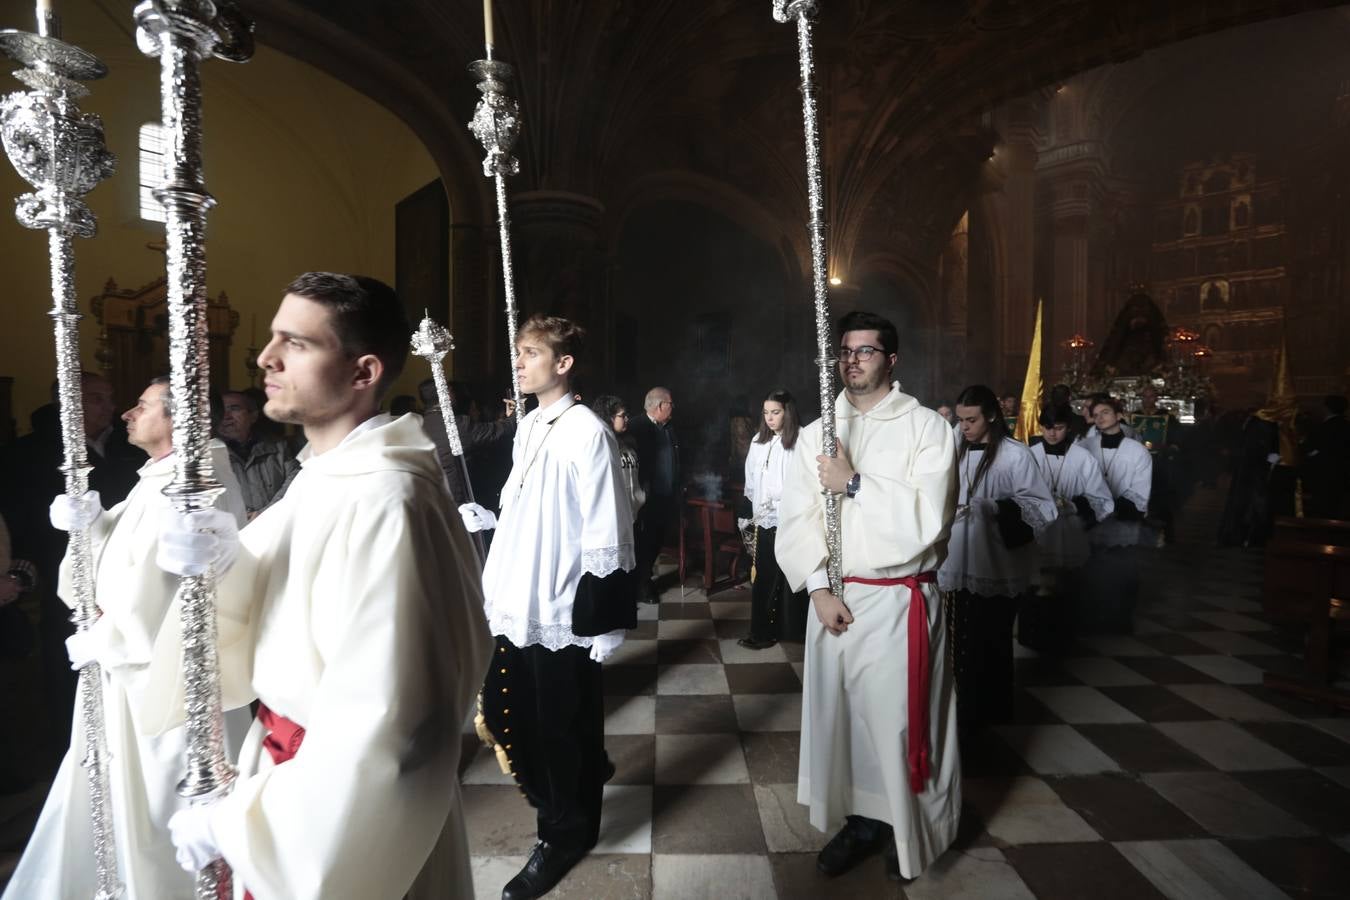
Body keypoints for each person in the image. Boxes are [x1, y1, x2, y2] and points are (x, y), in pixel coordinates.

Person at [160, 273, 492, 899]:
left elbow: (391, 728)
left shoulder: (388, 498)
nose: (266, 357)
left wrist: (245, 825)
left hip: (334, 809)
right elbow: (279, 612)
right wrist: (219, 565)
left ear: (363, 372)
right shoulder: (325, 477)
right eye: (270, 338)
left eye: (296, 342)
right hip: (288, 770)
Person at [3, 376, 248, 900]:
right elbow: (102, 572)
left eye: (141, 405)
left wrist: (109, 635)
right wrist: (87, 527)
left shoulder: (200, 477)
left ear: (177, 418)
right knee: (113, 797)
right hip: (127, 676)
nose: (127, 415)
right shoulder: (154, 477)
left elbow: (173, 592)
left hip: (166, 686)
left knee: (157, 806)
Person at [776, 310, 960, 882]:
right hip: (833, 603)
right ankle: (860, 823)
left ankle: (910, 834)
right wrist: (817, 590)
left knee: (897, 727)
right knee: (845, 724)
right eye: (846, 351)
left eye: (866, 351)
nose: (852, 360)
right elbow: (796, 518)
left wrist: (853, 483)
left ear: (891, 359)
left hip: (897, 603)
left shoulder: (926, 428)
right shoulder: (817, 434)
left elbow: (929, 518)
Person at [460, 315, 636, 899]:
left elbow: (606, 526)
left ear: (563, 364)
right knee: (533, 716)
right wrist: (494, 516)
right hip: (519, 592)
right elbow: (527, 499)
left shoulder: (588, 431)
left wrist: (604, 618)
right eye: (518, 352)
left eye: (530, 353)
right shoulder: (531, 424)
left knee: (560, 724)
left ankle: (564, 834)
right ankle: (575, 789)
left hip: (560, 601)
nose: (519, 362)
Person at [0, 372, 143, 750]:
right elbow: (21, 518)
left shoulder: (126, 447)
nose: (110, 407)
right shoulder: (29, 453)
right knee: (70, 663)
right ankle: (77, 747)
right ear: (69, 403)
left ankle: (121, 743)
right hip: (62, 574)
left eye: (110, 398)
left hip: (124, 574)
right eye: (98, 398)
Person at [939, 385, 1057, 732]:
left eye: (971, 420)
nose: (964, 427)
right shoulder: (952, 450)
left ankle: (990, 714)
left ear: (991, 415)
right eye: (960, 420)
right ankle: (956, 710)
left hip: (994, 565)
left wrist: (995, 507)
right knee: (956, 640)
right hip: (954, 562)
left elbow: (1041, 507)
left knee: (990, 641)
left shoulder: (1014, 455)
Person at [1019, 404, 1114, 655]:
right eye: (1047, 428)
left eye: (1059, 428)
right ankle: (1032, 634)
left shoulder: (1082, 458)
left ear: (1068, 428)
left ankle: (1063, 636)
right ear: (1040, 427)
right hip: (1037, 530)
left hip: (1068, 529)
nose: (1052, 434)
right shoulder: (1029, 455)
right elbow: (1015, 492)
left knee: (1065, 584)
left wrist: (1072, 504)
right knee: (1034, 582)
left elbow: (1101, 499)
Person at [737, 389, 807, 649]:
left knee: (792, 577)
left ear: (787, 412)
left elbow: (804, 483)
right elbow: (752, 481)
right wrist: (750, 513)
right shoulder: (758, 441)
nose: (769, 418)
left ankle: (794, 631)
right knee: (764, 577)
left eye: (775, 412)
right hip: (764, 520)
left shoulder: (802, 440)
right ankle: (762, 633)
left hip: (791, 520)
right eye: (766, 412)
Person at [1082, 396, 1153, 632]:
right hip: (1092, 521)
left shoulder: (1137, 451)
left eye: (1106, 412)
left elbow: (1139, 491)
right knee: (1092, 572)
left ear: (1119, 415)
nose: (1100, 417)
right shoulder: (1085, 447)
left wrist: (1110, 506)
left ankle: (1120, 620)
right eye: (1096, 413)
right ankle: (1092, 618)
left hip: (1123, 521)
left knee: (1123, 571)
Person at [417, 377, 516, 507]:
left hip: (430, 501)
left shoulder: (420, 425)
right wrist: (515, 413)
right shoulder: (454, 425)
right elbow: (498, 431)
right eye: (451, 390)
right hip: (457, 505)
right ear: (446, 394)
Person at [630, 386, 680, 603]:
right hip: (645, 499)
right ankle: (642, 585)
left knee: (658, 539)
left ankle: (644, 580)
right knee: (644, 543)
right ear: (660, 405)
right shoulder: (636, 427)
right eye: (670, 403)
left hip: (666, 496)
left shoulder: (669, 427)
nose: (673, 407)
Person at [220, 388, 297, 518]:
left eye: (234, 409)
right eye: (221, 411)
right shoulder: (208, 456)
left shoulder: (279, 448)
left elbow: (295, 484)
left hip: (276, 524)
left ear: (253, 416)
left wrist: (263, 514)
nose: (226, 416)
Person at [591, 394, 645, 523]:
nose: (627, 419)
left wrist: (642, 496)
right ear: (609, 417)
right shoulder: (600, 446)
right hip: (612, 518)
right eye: (622, 415)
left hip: (634, 514)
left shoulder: (628, 443)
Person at [1304, 394, 1350, 519]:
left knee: (1323, 511)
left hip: (1323, 477)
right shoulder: (1347, 426)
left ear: (1326, 408)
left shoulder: (1322, 428)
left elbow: (1313, 452)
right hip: (1344, 477)